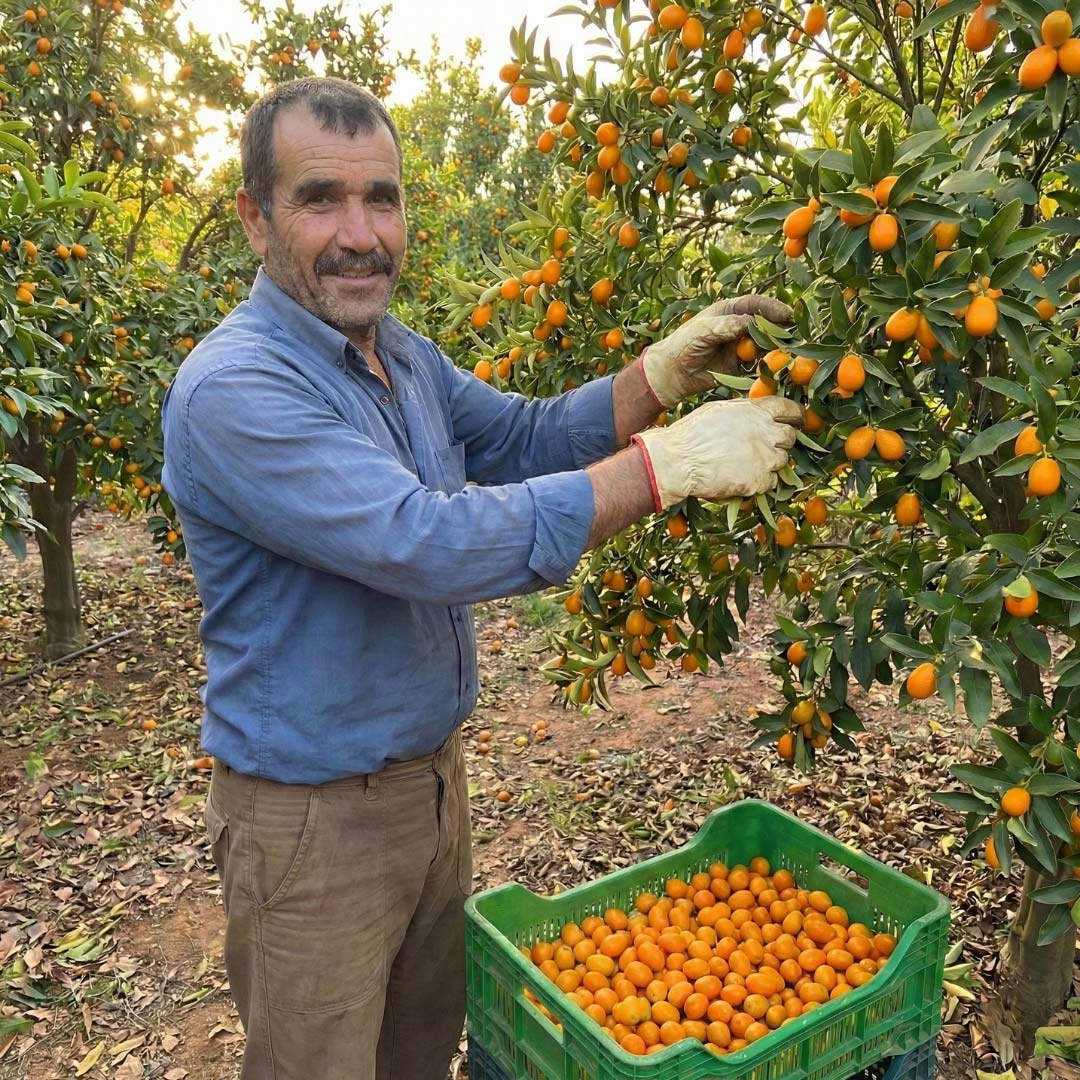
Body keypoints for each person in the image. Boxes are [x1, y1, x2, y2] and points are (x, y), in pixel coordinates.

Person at [160, 76, 802, 1080]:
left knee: (420, 1050)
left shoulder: (399, 356)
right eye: (321, 198)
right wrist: (662, 468)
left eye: (384, 198)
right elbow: (427, 542)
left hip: (431, 790)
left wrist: (657, 379)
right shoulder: (237, 389)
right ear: (255, 218)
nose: (361, 232)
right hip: (313, 825)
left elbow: (522, 438)